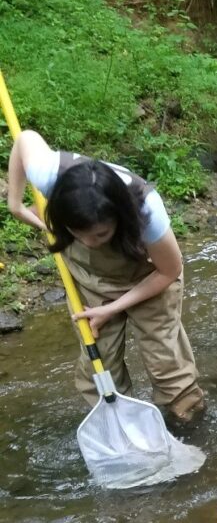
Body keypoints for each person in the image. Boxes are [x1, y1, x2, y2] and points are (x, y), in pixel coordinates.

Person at [6, 131, 205, 422]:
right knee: (99, 364)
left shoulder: (147, 212)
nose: (88, 242)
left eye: (100, 234)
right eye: (77, 233)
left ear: (119, 219)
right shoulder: (49, 175)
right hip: (90, 278)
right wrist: (16, 204)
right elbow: (25, 139)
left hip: (150, 278)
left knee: (166, 362)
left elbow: (169, 271)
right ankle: (119, 425)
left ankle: (188, 423)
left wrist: (111, 308)